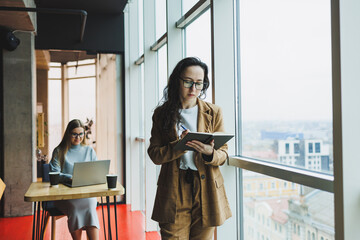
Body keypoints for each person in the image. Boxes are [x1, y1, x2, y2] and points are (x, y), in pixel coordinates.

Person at [148, 57, 232, 239]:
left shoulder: (214, 112)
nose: (193, 89)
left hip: (207, 188)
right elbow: (154, 155)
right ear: (176, 81)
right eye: (188, 82)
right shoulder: (162, 115)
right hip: (173, 189)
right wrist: (179, 147)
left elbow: (223, 152)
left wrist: (210, 153)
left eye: (199, 83)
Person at [49, 119, 99, 240]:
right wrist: (69, 178)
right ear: (68, 134)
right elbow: (54, 174)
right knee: (75, 207)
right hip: (65, 196)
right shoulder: (59, 151)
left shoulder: (89, 150)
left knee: (90, 205)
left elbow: (96, 170)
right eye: (74, 134)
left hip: (86, 193)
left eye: (81, 134)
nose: (78, 137)